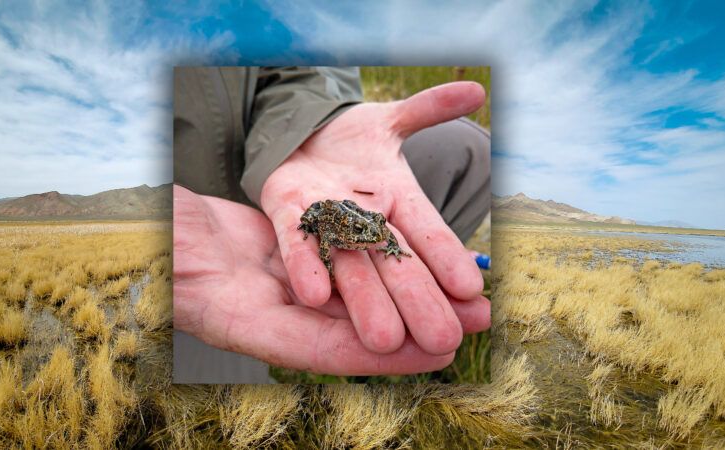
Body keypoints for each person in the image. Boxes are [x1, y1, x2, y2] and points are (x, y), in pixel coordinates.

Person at [173, 67, 491, 382]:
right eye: (367, 233)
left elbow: (304, 66)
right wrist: (325, 260)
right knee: (226, 371)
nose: (376, 235)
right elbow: (324, 236)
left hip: (275, 145)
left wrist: (318, 120)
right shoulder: (340, 233)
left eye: (377, 230)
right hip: (226, 231)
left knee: (467, 145)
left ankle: (407, 308)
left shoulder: (371, 231)